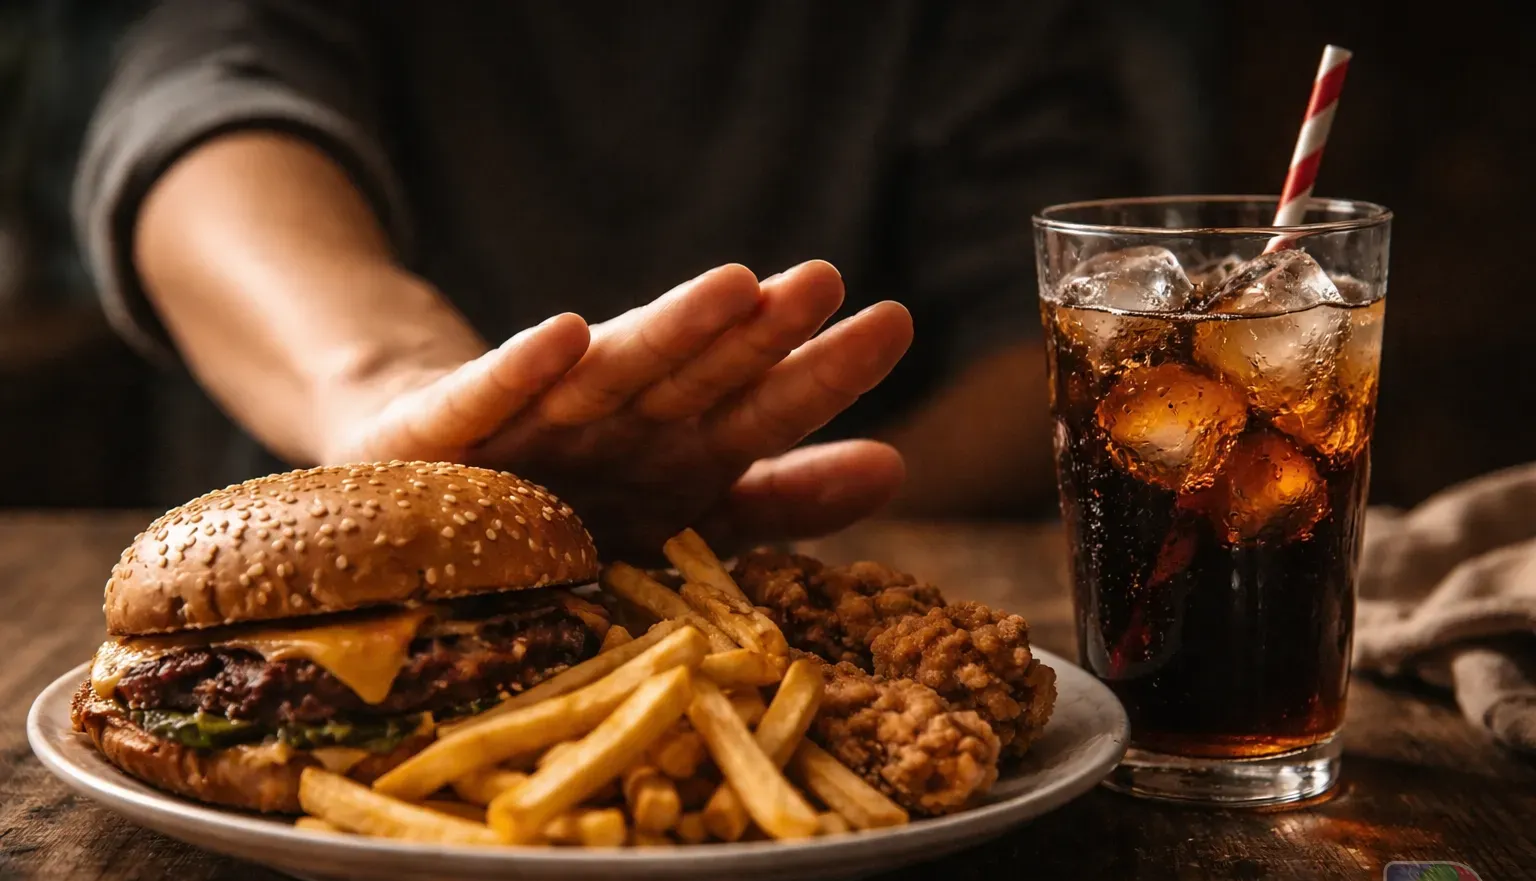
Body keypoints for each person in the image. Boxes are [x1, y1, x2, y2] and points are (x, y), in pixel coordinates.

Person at [74, 1, 1173, 556]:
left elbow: (1069, 315)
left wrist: (748, 524)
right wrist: (387, 384)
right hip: (342, 529)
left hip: (832, 553)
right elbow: (202, 120)